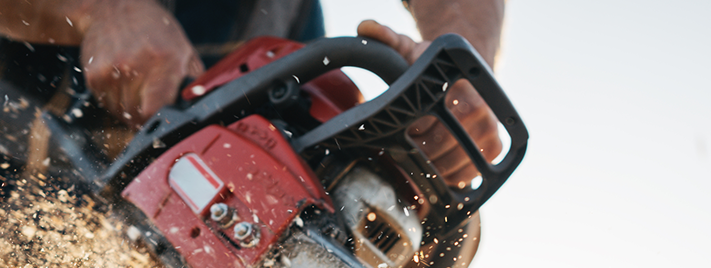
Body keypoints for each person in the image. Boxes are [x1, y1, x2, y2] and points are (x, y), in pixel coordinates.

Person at [0, 0, 505, 187]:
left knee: (411, 183)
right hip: (28, 95)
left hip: (231, 88)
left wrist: (456, 72)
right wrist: (101, 10)